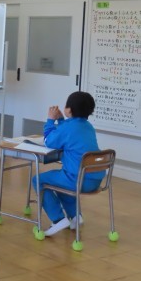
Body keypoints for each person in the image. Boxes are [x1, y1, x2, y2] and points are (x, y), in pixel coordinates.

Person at [32, 91, 105, 237]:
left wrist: (50, 120)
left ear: (69, 110)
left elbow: (48, 141)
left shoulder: (68, 128)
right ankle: (75, 216)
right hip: (94, 180)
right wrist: (61, 120)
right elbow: (70, 131)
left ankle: (58, 219)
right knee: (61, 182)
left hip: (77, 180)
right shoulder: (88, 127)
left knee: (38, 180)